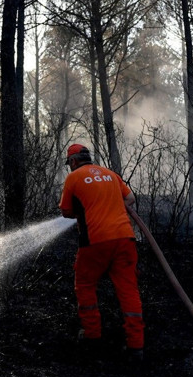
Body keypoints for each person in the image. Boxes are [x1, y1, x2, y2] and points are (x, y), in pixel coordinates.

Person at [58, 143, 144, 359]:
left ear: (74, 161)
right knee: (128, 289)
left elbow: (66, 211)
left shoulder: (74, 178)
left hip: (95, 240)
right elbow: (131, 199)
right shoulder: (110, 174)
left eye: (69, 163)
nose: (70, 167)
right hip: (125, 238)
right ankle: (136, 346)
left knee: (85, 284)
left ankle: (92, 336)